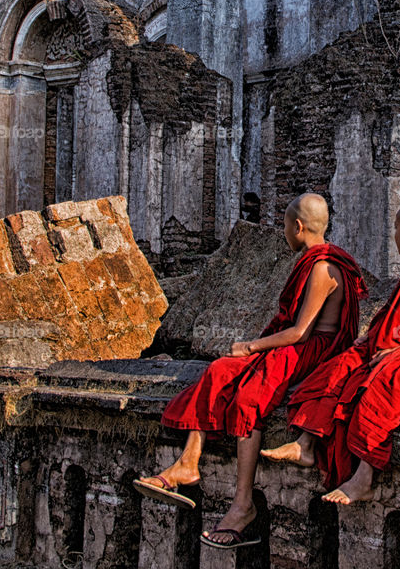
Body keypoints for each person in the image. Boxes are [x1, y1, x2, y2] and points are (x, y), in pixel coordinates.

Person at [134, 193, 365, 546]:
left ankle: (242, 504)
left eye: (286, 225)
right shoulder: (315, 260)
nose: (284, 232)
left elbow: (300, 331)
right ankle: (189, 460)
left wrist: (251, 346)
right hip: (301, 346)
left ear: (298, 227)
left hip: (312, 350)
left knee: (248, 399)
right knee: (219, 371)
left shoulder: (322, 267)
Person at [262, 199, 400, 505]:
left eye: (395, 228)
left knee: (382, 379)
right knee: (340, 367)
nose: (392, 234)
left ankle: (364, 477)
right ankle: (306, 443)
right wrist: (372, 337)